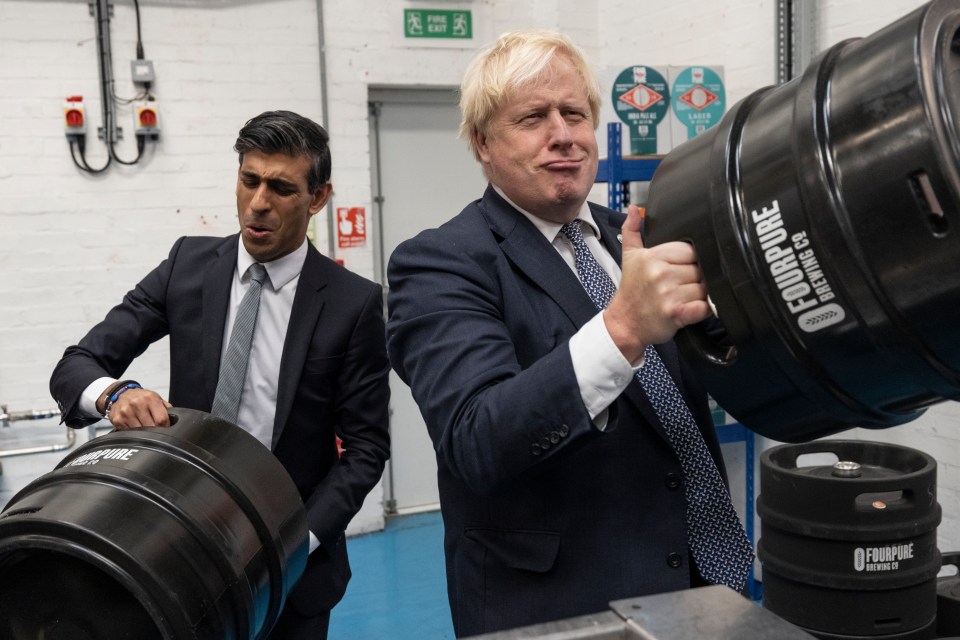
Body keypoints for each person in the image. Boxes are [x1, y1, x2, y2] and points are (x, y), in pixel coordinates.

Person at [386, 30, 753, 637]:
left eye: (574, 113)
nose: (562, 134)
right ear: (482, 142)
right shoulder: (440, 263)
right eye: (532, 117)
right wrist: (622, 329)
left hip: (702, 580)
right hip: (563, 605)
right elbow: (478, 439)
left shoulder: (636, 238)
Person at [50, 110, 391, 640]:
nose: (258, 203)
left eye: (281, 187)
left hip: (294, 572)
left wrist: (293, 541)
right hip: (175, 554)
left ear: (318, 198)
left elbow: (367, 449)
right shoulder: (186, 266)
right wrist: (114, 394)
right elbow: (76, 366)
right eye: (248, 179)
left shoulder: (353, 304)